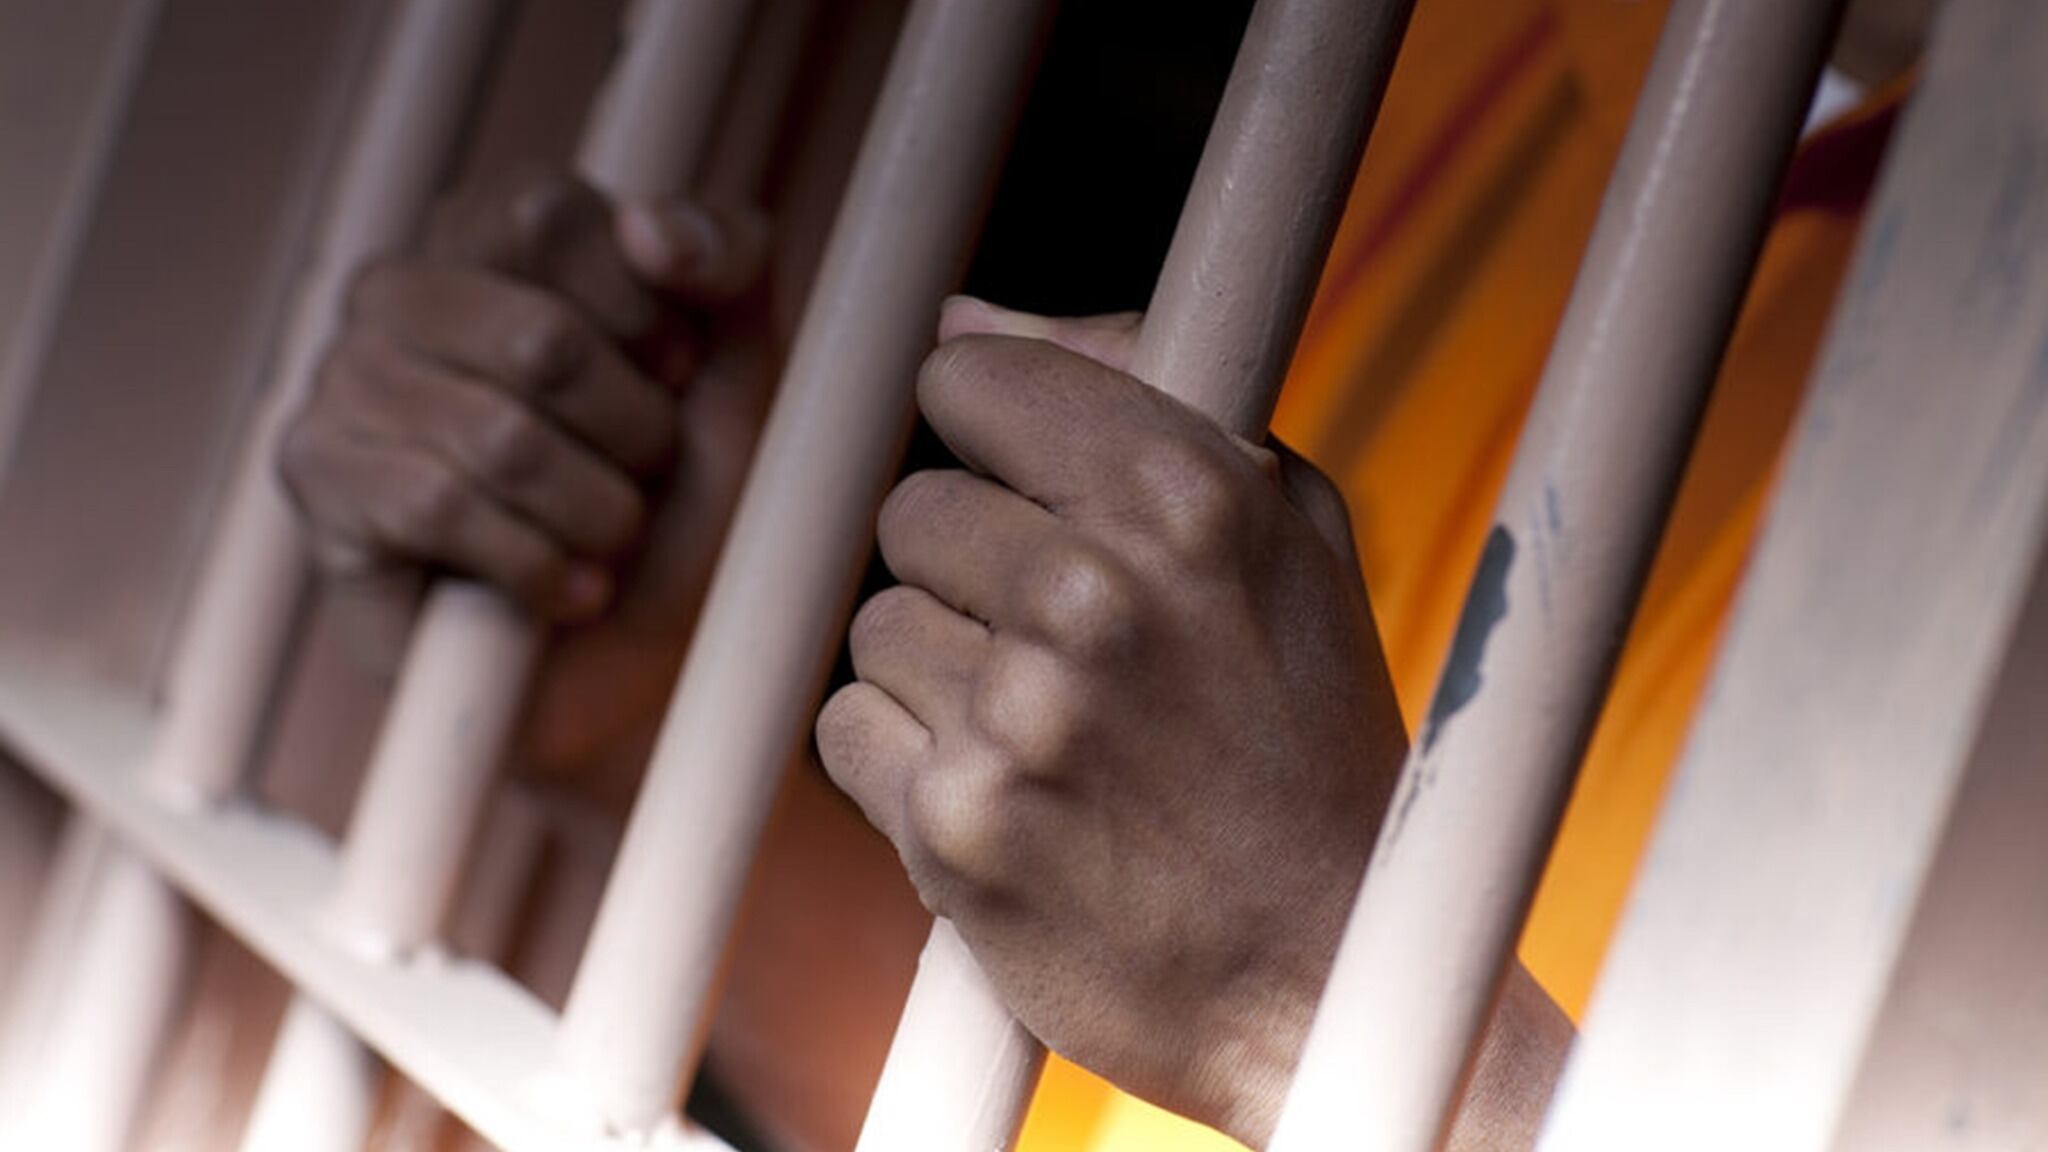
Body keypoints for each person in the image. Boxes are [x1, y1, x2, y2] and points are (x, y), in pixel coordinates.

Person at [276, 0, 1932, 1147]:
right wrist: (652, 711)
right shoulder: (1450, 43)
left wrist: (1332, 1004)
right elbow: (1097, 1100)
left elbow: (1255, 1004)